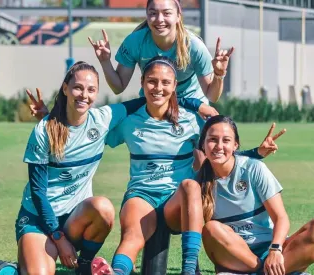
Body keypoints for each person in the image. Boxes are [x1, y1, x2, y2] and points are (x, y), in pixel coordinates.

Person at [16, 61, 211, 275]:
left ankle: (85, 267)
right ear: (65, 88)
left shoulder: (103, 119)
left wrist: (195, 104)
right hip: (40, 219)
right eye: (78, 88)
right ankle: (3, 268)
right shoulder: (44, 130)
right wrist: (50, 117)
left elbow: (154, 99)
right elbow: (38, 193)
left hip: (75, 216)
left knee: (103, 207)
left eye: (91, 89)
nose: (84, 94)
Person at [89, 57, 281, 275]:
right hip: (142, 195)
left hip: (179, 202)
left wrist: (256, 153)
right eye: (152, 81)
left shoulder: (190, 119)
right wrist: (54, 118)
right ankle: (117, 272)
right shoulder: (129, 121)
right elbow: (88, 136)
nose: (158, 88)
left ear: (174, 86)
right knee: (133, 236)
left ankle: (189, 270)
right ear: (142, 83)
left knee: (190, 185)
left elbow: (217, 152)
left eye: (165, 82)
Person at [192, 115, 314, 275]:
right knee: (211, 228)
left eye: (226, 140)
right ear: (203, 144)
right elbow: (191, 230)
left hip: (271, 248)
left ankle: (270, 270)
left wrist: (275, 250)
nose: (219, 146)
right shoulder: (196, 182)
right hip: (235, 257)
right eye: (212, 139)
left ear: (235, 145)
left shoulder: (254, 168)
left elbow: (281, 218)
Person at [88, 0, 233, 104]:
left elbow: (212, 97)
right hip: (152, 103)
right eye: (153, 13)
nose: (159, 19)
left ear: (178, 16)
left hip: (192, 106)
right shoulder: (135, 42)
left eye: (166, 13)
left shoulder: (194, 46)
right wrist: (105, 61)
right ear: (147, 15)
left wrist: (219, 75)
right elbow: (118, 87)